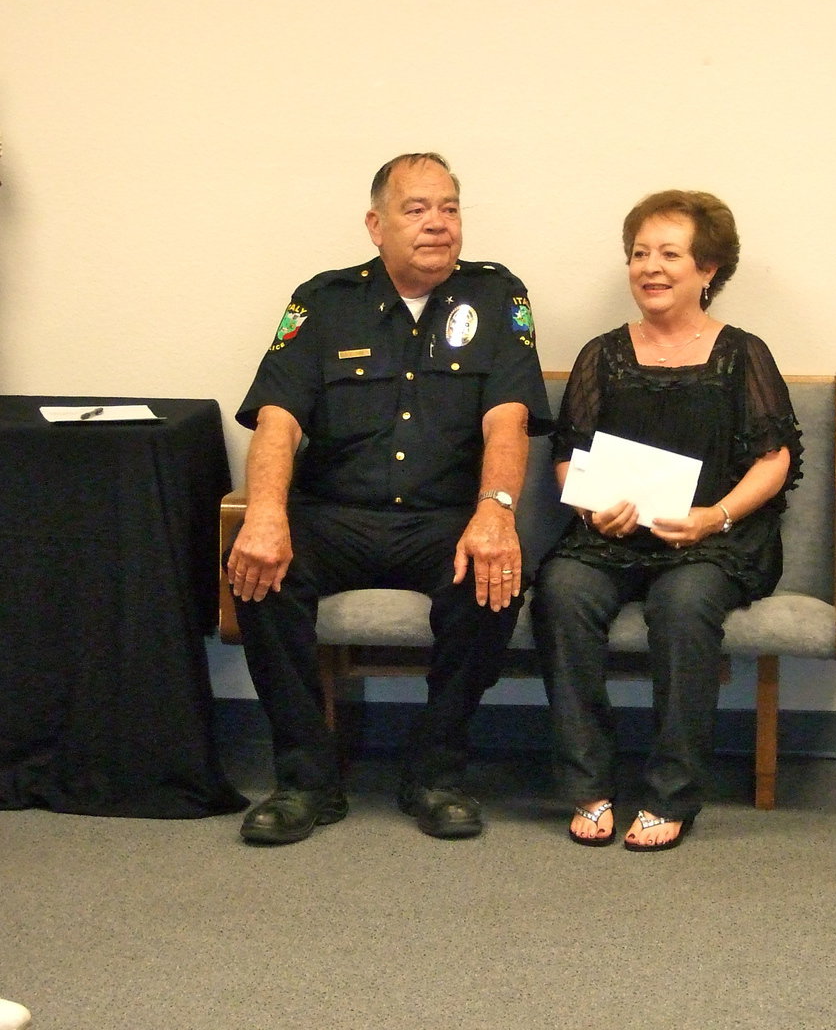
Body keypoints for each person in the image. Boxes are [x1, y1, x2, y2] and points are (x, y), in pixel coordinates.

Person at [227, 152, 550, 843]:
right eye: (417, 209)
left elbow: (508, 418)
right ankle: (306, 779)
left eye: (450, 207)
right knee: (255, 572)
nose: (438, 224)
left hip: (443, 520)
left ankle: (437, 770)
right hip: (335, 516)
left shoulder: (497, 297)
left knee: (493, 578)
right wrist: (264, 514)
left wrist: (495, 511)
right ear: (376, 225)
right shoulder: (323, 301)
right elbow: (278, 419)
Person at [531, 190, 802, 852]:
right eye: (639, 254)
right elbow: (567, 459)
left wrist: (715, 516)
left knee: (683, 604)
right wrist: (592, 504)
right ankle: (589, 785)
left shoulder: (742, 353)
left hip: (716, 537)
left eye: (669, 254)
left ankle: (671, 793)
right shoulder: (603, 354)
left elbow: (775, 459)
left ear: (707, 270)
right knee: (561, 591)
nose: (650, 267)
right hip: (613, 533)